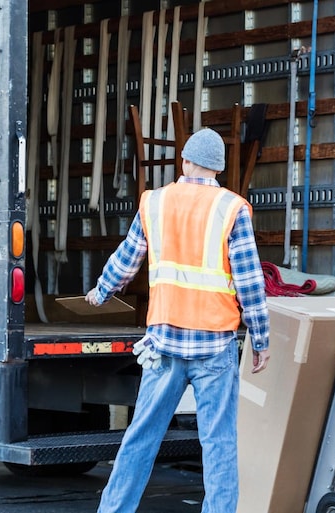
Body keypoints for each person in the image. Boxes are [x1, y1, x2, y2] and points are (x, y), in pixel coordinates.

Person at [85, 128, 271, 513]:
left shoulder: (155, 202)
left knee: (141, 437)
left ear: (184, 161)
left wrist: (101, 292)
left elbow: (128, 256)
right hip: (215, 346)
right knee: (219, 444)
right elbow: (250, 280)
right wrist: (261, 337)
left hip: (163, 345)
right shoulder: (231, 208)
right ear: (218, 169)